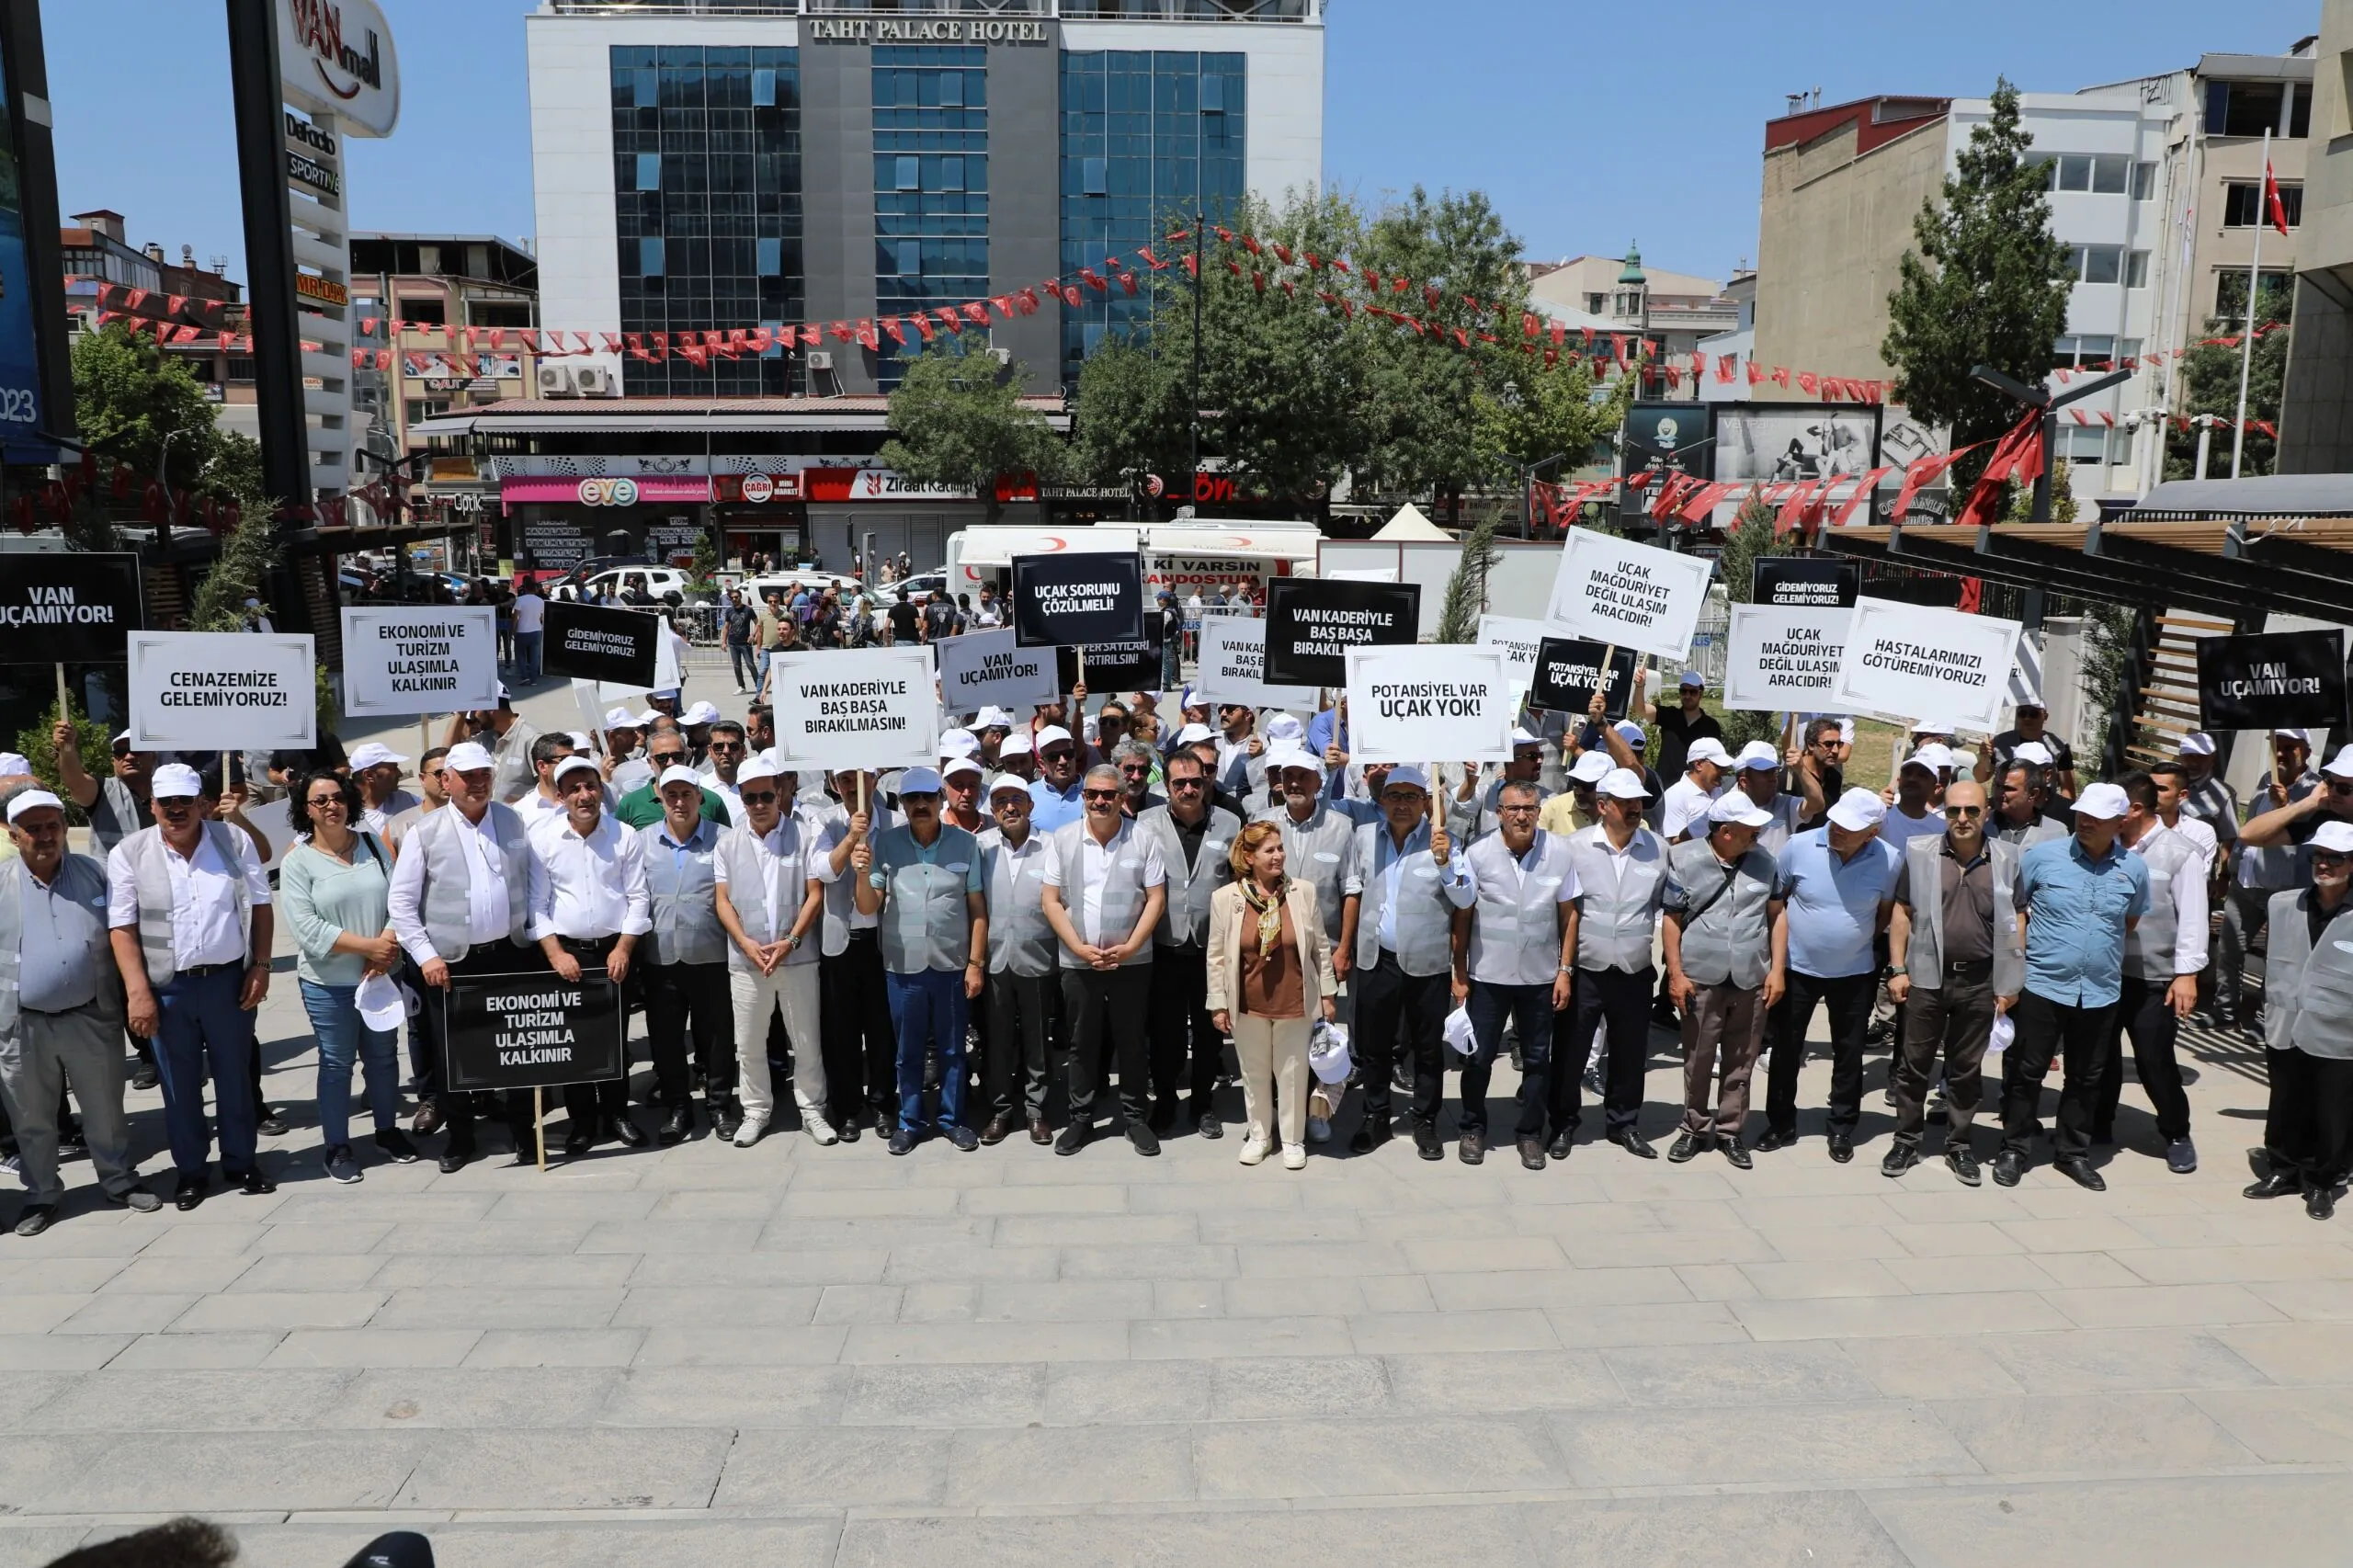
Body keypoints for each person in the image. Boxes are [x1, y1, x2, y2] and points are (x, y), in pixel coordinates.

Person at [105, 763, 277, 1210]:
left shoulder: (232, 840)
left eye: (186, 801)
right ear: (152, 805)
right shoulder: (129, 852)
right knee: (177, 1085)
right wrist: (137, 991)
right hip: (167, 987)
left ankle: (241, 1162)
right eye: (167, 802)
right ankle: (192, 1171)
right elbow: (122, 928)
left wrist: (261, 966)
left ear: (202, 803)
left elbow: (261, 904)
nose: (177, 810)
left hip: (226, 982)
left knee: (235, 1076)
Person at [0, 788, 158, 1233]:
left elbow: (128, 930)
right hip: (23, 1024)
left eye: (53, 825)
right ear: (14, 835)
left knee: (105, 1108)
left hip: (91, 1016)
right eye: (33, 828)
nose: (45, 835)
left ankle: (119, 1180)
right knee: (31, 1118)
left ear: (65, 828)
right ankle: (41, 1194)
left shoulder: (95, 874)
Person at [385, 741, 538, 1168]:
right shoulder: (425, 832)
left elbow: (531, 881)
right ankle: (460, 1137)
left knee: (515, 1045)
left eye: (484, 774)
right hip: (451, 961)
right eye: (467, 776)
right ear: (446, 780)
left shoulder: (512, 820)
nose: (477, 783)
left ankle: (524, 1132)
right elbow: (401, 902)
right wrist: (426, 956)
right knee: (452, 1052)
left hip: (509, 953)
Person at [1998, 780, 2150, 1191]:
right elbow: (2017, 912)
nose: (2085, 821)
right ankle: (2014, 1148)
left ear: (2119, 822)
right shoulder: (2042, 857)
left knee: (2086, 1077)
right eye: (2082, 813)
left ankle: (2071, 1153)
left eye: (2096, 817)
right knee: (2026, 1072)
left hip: (2100, 991)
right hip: (2042, 985)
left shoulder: (2134, 869)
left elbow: (2129, 921)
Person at [278, 768, 416, 1184]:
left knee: (383, 1058)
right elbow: (307, 929)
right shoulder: (297, 862)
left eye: (337, 797)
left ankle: (387, 1131)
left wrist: (385, 948)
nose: (331, 806)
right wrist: (369, 948)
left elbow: (399, 900)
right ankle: (336, 1147)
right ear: (306, 809)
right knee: (337, 1064)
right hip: (329, 984)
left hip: (380, 976)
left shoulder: (373, 845)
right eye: (320, 800)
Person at [1882, 778, 2016, 1185]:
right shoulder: (1920, 852)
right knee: (1913, 1065)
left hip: (1979, 979)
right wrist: (1897, 969)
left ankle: (1959, 1145)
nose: (1962, 818)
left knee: (1966, 1069)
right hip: (1926, 977)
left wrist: (2010, 980)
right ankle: (1906, 1140)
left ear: (1986, 813)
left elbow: (2017, 918)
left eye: (1972, 810)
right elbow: (1902, 912)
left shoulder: (2007, 857)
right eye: (1954, 810)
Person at [1760, 787, 1899, 1161]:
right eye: (1836, 821)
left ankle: (1841, 1127)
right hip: (1796, 968)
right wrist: (1776, 966)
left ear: (1871, 833)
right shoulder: (1799, 846)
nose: (1836, 829)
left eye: (1848, 827)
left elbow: (1885, 912)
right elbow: (1777, 903)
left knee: (1849, 1053)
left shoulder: (1890, 860)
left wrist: (1856, 941)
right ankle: (1780, 1123)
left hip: (1855, 973)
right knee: (1785, 1049)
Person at [854, 767, 987, 1153]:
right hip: (903, 967)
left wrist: (975, 963)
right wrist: (861, 874)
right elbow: (867, 907)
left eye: (928, 797)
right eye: (912, 799)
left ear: (940, 799)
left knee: (952, 1050)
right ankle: (910, 1121)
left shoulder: (966, 844)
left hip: (951, 965)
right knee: (908, 1052)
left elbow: (978, 909)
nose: (921, 804)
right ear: (902, 804)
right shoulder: (886, 844)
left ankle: (952, 1119)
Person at [1341, 767, 1471, 1158]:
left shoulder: (1445, 841)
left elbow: (1465, 898)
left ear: (1425, 802)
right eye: (1394, 796)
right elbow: (1353, 889)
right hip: (1376, 959)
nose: (1402, 804)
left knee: (1427, 1049)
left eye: (1411, 796)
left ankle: (1425, 1120)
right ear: (1382, 801)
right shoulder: (1364, 837)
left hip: (1426, 963)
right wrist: (1344, 947)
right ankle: (1376, 1115)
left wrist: (1445, 864)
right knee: (1374, 1045)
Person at [1040, 764, 1169, 1156]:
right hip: (1079, 961)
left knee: (1132, 1041)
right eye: (1093, 794)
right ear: (1083, 797)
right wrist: (1078, 947)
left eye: (1108, 794)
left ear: (1121, 798)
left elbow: (1156, 899)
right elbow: (1050, 900)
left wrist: (1131, 946)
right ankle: (1081, 1118)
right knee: (1081, 1042)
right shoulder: (1063, 840)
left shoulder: (1143, 838)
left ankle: (1135, 1118)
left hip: (1131, 961)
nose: (1100, 801)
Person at [528, 755, 652, 1155]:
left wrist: (624, 947)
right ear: (560, 797)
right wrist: (555, 955)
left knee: (614, 1038)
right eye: (574, 789)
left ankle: (617, 1114)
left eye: (591, 786)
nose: (584, 795)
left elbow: (638, 897)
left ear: (601, 790)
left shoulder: (624, 835)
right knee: (574, 1041)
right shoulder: (543, 840)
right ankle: (582, 1121)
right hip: (567, 954)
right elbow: (536, 906)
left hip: (614, 951)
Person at [1453, 779, 1579, 1170]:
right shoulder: (1478, 853)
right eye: (1513, 809)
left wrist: (1565, 970)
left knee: (1538, 1060)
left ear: (1539, 812)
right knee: (1478, 1058)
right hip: (1488, 976)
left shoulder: (1559, 852)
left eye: (1529, 809)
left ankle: (1529, 1133)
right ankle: (1472, 1127)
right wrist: (1459, 971)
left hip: (1540, 977)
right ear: (1499, 814)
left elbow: (1569, 914)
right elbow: (1462, 915)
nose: (1522, 816)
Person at [1661, 790, 1786, 1168]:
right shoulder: (1683, 858)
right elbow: (1672, 919)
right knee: (1698, 1059)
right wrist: (1676, 975)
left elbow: (1777, 915)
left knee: (1742, 1060)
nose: (1757, 836)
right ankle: (1694, 1128)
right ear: (1726, 831)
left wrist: (1777, 970)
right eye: (1750, 830)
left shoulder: (1765, 862)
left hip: (1751, 978)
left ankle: (1731, 1131)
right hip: (1701, 977)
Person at [2095, 767, 2208, 1174]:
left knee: (2154, 1060)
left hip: (2155, 979)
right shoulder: (2103, 846)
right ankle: (2098, 1125)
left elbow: (2193, 917)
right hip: (2105, 973)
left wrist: (2187, 975)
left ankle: (2176, 1132)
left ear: (2135, 809)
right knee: (2100, 1056)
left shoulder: (2181, 853)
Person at [1208, 820, 1337, 1171]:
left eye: (1280, 848)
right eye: (1270, 850)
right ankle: (1260, 1136)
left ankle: (1293, 1140)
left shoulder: (1302, 892)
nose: (1279, 855)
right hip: (1247, 1004)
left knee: (1293, 1074)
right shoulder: (1226, 898)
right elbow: (1216, 956)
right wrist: (1217, 1003)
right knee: (1254, 1073)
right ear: (1249, 857)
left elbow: (1320, 948)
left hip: (1294, 1001)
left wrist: (1328, 994)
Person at [711, 759, 827, 1148]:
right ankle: (756, 1111)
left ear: (779, 794)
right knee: (749, 1044)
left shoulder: (805, 835)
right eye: (750, 798)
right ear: (742, 800)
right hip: (748, 960)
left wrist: (791, 940)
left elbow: (815, 894)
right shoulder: (727, 843)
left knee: (806, 1040)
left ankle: (812, 1109)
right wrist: (745, 943)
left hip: (797, 957)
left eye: (765, 796)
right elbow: (723, 900)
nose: (759, 805)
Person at [1554, 767, 1669, 1159]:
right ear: (1603, 806)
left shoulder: (1657, 849)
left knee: (1630, 1053)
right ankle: (1563, 1123)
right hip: (1586, 969)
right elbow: (1564, 909)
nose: (1635, 809)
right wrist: (1563, 968)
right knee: (1571, 1052)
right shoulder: (1574, 848)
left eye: (1638, 802)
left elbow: (1660, 906)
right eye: (1625, 803)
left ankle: (1624, 1124)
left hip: (1634, 971)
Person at [2246, 818, 2353, 1219]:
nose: (2324, 864)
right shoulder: (2282, 904)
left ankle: (2322, 1181)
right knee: (2284, 1102)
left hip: (2340, 1029)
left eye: (2336, 858)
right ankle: (2283, 1169)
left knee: (2332, 1111)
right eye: (2318, 856)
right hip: (2286, 1022)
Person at [1138, 748, 1242, 1141]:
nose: (1188, 789)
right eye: (1179, 783)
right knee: (1166, 1034)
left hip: (1211, 951)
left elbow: (1240, 882)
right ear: (1166, 786)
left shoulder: (1229, 824)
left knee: (1209, 1033)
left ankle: (1202, 1105)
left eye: (1195, 782)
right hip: (1163, 947)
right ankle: (1165, 1102)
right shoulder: (1145, 824)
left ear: (1206, 782)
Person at [634, 765, 738, 1145]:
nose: (679, 802)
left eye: (686, 794)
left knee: (717, 1038)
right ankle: (678, 1107)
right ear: (661, 798)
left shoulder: (724, 839)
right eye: (671, 795)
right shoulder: (642, 841)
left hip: (711, 956)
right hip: (660, 958)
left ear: (700, 797)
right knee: (666, 1040)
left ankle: (719, 1106)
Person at [2224, 731, 2338, 1028]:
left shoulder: (2318, 790)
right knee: (2229, 950)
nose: (2280, 754)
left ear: (2307, 752)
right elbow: (2250, 830)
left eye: (2290, 748)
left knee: (2277, 959)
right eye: (2277, 746)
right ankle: (2225, 1012)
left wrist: (2287, 807)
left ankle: (2267, 1019)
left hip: (2281, 888)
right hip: (2245, 881)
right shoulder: (2266, 780)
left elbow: (2297, 838)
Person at [814, 772, 901, 1137]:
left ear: (874, 779)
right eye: (844, 780)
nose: (852, 787)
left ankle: (883, 1104)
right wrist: (851, 837)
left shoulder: (896, 823)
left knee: (882, 1030)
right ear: (835, 785)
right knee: (840, 1032)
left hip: (882, 941)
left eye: (859, 778)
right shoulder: (823, 820)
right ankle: (847, 1108)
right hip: (839, 941)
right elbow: (822, 870)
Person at [975, 773, 1057, 1145]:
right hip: (993, 959)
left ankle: (1036, 1110)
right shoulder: (980, 847)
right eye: (1001, 802)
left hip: (1038, 957)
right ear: (992, 810)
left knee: (1038, 1038)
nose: (1009, 808)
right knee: (997, 1039)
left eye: (1016, 800)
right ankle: (1001, 1110)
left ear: (1030, 804)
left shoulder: (1052, 846)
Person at [1449, 728, 1552, 844]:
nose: (1539, 761)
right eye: (1532, 756)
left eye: (1541, 755)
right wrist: (1470, 783)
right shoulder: (1486, 792)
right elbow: (1461, 810)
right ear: (1511, 760)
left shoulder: (1550, 799)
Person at [614, 728, 730, 830]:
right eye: (662, 758)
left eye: (677, 756)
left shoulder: (711, 801)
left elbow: (727, 842)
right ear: (650, 762)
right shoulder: (630, 804)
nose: (670, 763)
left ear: (686, 758)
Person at [449, 690, 540, 806]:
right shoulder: (485, 738)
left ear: (491, 708)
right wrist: (459, 715)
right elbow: (449, 756)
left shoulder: (532, 739)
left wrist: (517, 806)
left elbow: (548, 788)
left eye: (475, 710)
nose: (474, 716)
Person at [1978, 700, 2078, 800]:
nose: (2027, 718)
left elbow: (2068, 789)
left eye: (2033, 714)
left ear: (2045, 717)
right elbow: (1980, 778)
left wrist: (2063, 808)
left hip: (2042, 806)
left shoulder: (2059, 746)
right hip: (2002, 802)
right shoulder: (2000, 742)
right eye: (2022, 713)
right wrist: (1983, 758)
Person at [1651, 669, 1723, 784]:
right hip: (1665, 787)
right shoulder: (1669, 715)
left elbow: (1715, 760)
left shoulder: (1711, 726)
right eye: (1683, 691)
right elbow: (1641, 709)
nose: (1687, 695)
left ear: (1701, 694)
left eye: (1692, 692)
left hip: (1696, 788)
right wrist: (1640, 686)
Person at [1659, 737, 1732, 845]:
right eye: (1719, 766)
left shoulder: (1718, 791)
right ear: (1698, 765)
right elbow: (1675, 844)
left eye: (1725, 767)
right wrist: (1705, 822)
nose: (1724, 772)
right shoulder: (1675, 795)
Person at [1990, 757, 2069, 848]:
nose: (1998, 793)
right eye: (1997, 786)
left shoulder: (2057, 833)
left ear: (2033, 794)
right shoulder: (1983, 824)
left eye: (2008, 788)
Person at [347, 743, 418, 836]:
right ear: (369, 775)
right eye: (393, 768)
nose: (400, 774)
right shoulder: (343, 814)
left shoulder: (409, 800)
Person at [1029, 725, 1086, 832]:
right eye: (1053, 757)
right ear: (1041, 764)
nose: (1063, 761)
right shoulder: (1028, 794)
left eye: (1068, 754)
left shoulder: (1093, 791)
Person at [510, 580, 546, 684]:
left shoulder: (521, 599)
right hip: (536, 630)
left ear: (525, 588)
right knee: (534, 656)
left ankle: (524, 676)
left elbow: (515, 616)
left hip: (522, 631)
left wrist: (513, 630)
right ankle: (533, 679)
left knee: (520, 654)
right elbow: (542, 617)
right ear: (535, 589)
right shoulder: (540, 601)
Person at [723, 588, 757, 692]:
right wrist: (723, 642)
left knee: (750, 665)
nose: (734, 599)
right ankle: (741, 687)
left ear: (740, 597)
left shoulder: (748, 610)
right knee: (736, 666)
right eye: (732, 598)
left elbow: (758, 623)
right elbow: (726, 627)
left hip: (745, 643)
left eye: (736, 597)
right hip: (733, 643)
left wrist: (753, 635)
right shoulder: (729, 611)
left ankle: (759, 685)